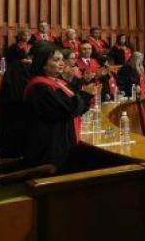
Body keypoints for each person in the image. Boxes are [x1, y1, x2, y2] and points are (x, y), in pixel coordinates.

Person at [22, 42, 95, 171]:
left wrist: (83, 97)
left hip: (63, 141)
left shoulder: (58, 82)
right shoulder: (39, 86)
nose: (62, 63)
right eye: (56, 60)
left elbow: (79, 108)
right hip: (50, 149)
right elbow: (69, 110)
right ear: (43, 64)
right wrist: (85, 94)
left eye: (62, 59)